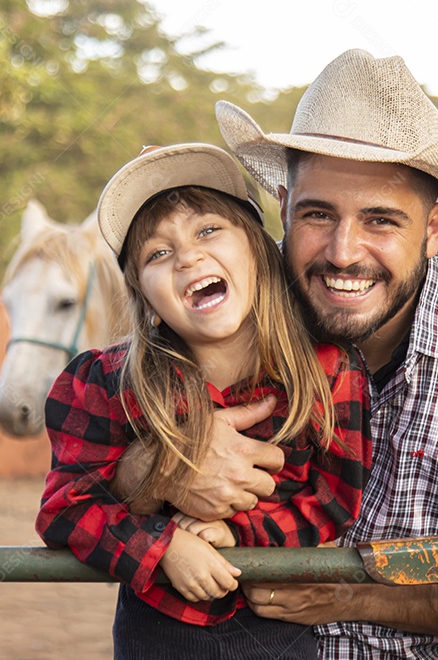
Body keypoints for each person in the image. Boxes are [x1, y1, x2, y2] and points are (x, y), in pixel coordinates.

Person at [114, 50, 438, 659]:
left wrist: (354, 595)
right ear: (283, 205)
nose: (343, 252)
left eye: (380, 220)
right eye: (318, 214)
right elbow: (86, 466)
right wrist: (160, 461)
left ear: (434, 227)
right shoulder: (219, 303)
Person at [34, 143, 372, 659]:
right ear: (144, 296)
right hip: (157, 636)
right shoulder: (107, 384)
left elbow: (334, 499)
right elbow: (64, 510)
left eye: (208, 230)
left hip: (280, 635)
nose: (188, 257)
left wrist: (237, 533)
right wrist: (164, 546)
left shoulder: (326, 372)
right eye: (157, 253)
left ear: (259, 251)